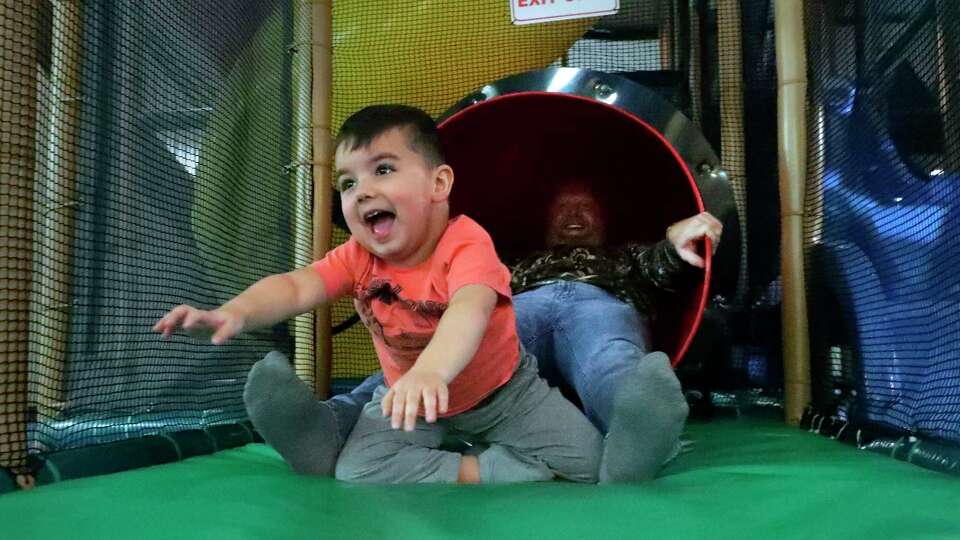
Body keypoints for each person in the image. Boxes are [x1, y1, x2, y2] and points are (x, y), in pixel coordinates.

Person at [153, 104, 603, 484]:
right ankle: (480, 469)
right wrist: (235, 312)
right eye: (348, 183)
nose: (363, 190)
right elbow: (297, 285)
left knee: (589, 460)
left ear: (438, 185)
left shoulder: (466, 243)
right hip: (407, 398)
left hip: (504, 395)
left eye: (383, 170)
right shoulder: (356, 255)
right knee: (359, 468)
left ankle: (494, 452)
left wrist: (431, 372)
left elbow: (470, 309)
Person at [308, 178, 722, 483]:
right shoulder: (513, 264)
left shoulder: (626, 258)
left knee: (610, 357)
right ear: (546, 224)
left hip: (600, 302)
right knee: (430, 357)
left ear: (605, 221)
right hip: (520, 305)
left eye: (586, 207)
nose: (574, 214)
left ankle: (638, 442)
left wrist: (675, 237)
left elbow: (664, 263)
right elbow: (453, 290)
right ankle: (329, 424)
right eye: (563, 208)